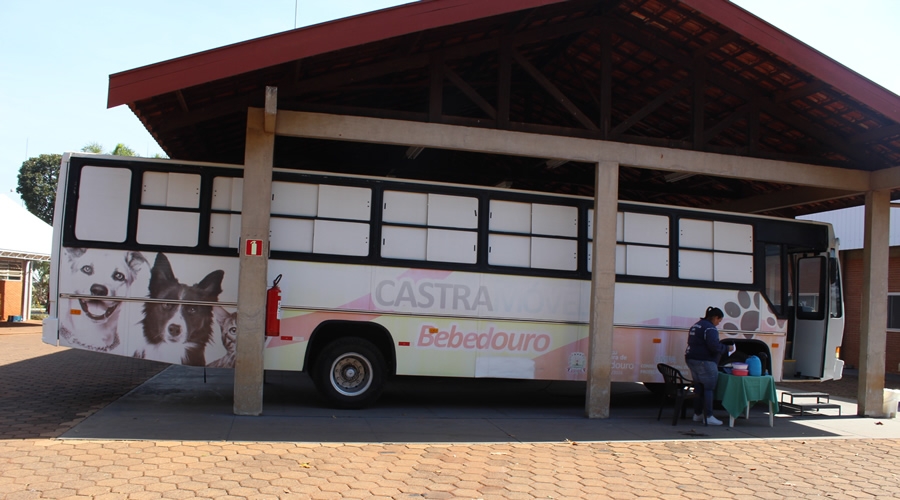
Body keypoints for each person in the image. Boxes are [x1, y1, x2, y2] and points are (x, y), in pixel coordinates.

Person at [684, 306, 735, 426]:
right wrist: (727, 348)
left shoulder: (697, 325)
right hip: (705, 361)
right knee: (708, 388)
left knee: (698, 388)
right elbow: (714, 346)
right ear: (715, 317)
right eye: (719, 320)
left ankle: (697, 414)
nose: (718, 323)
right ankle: (709, 416)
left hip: (691, 358)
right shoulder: (710, 328)